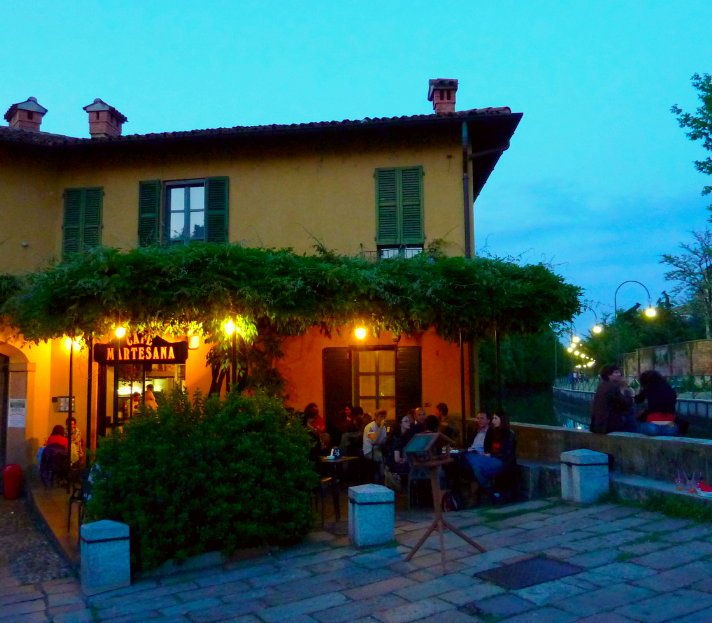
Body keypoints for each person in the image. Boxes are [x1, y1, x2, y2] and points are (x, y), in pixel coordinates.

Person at [464, 411, 516, 494]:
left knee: (475, 464)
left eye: (495, 418)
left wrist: (490, 454)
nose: (493, 421)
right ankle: (487, 489)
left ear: (502, 420)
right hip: (491, 458)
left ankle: (488, 489)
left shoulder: (509, 434)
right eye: (493, 418)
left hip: (502, 461)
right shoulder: (493, 432)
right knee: (473, 465)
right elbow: (488, 447)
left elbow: (506, 453)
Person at [590, 364, 633, 434]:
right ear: (608, 375)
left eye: (619, 372)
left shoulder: (601, 385)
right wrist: (626, 390)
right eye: (616, 372)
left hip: (597, 426)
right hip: (608, 427)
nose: (619, 374)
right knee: (631, 412)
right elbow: (626, 404)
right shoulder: (613, 387)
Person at [634, 370, 679, 436]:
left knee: (636, 422)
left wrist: (640, 391)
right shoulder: (668, 388)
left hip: (652, 424)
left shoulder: (648, 388)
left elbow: (637, 400)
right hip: (670, 424)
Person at [363, 409, 388, 482]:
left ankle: (386, 478)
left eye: (384, 417)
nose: (382, 419)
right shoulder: (370, 427)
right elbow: (374, 440)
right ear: (376, 417)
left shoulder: (383, 428)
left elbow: (383, 440)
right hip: (369, 450)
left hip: (378, 449)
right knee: (380, 457)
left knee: (387, 456)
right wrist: (380, 428)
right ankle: (382, 479)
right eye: (381, 417)